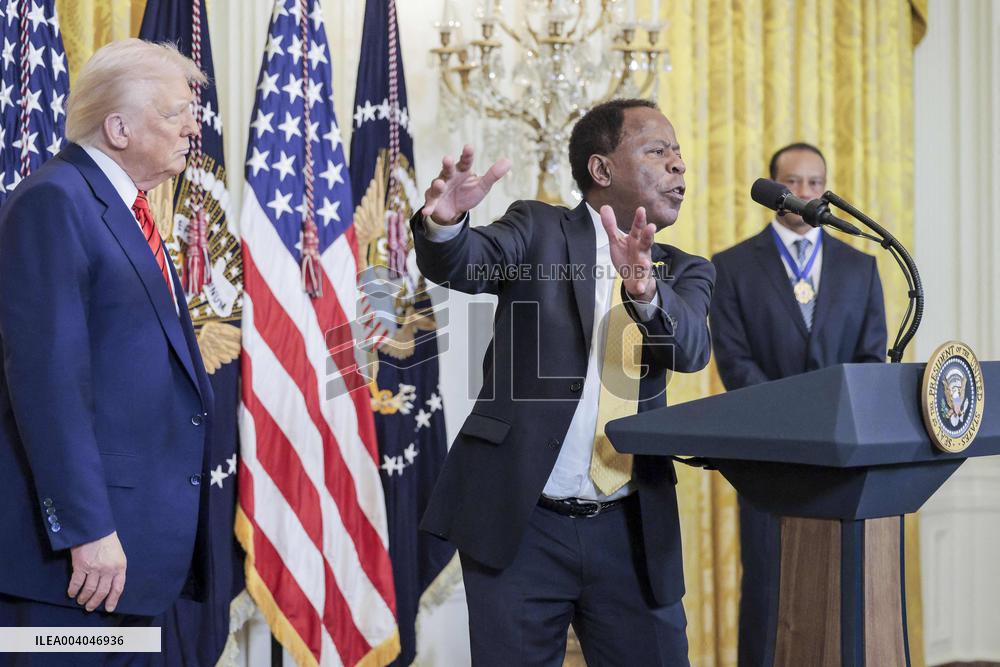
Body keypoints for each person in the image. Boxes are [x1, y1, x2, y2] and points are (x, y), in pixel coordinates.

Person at [411, 98, 715, 665]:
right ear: (602, 170)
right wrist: (445, 223)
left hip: (631, 529)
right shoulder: (538, 230)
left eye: (678, 153)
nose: (678, 165)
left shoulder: (686, 270)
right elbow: (468, 262)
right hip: (521, 526)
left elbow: (691, 350)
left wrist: (645, 290)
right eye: (657, 150)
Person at [0, 38, 214, 658]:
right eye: (176, 112)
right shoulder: (55, 202)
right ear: (118, 127)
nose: (192, 127)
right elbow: (49, 381)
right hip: (72, 567)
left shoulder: (126, 210)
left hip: (130, 560)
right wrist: (88, 527)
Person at [709, 142, 887, 666]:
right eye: (794, 183)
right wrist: (792, 422)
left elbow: (870, 358)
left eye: (815, 182)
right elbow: (735, 363)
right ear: (773, 191)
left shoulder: (861, 268)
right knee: (767, 590)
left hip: (842, 464)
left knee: (839, 593)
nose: (805, 193)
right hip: (768, 461)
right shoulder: (732, 266)